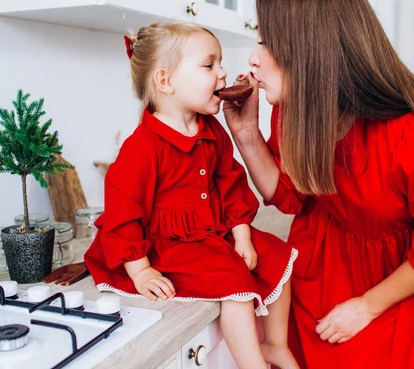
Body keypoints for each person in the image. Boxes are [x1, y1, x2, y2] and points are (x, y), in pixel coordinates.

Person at [223, 0, 414, 368]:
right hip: (319, 271)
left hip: (398, 287)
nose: (253, 58)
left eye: (265, 42)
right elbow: (288, 196)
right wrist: (246, 134)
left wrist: (366, 306)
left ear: (311, 49)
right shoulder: (298, 110)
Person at [84, 22, 299, 369]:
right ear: (166, 81)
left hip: (212, 232)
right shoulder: (141, 148)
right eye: (209, 65)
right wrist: (141, 272)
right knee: (234, 283)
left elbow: (230, 183)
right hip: (168, 245)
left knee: (277, 254)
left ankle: (274, 345)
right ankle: (253, 363)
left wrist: (242, 234)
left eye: (221, 63)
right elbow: (123, 213)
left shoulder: (210, 130)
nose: (224, 73)